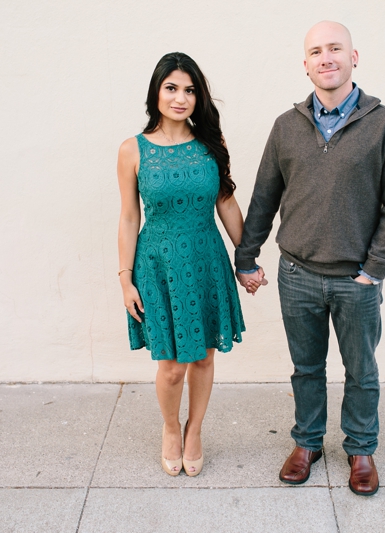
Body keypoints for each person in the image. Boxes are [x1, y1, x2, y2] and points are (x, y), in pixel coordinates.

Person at [235, 21, 385, 496]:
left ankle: (360, 448)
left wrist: (374, 272)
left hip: (356, 279)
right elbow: (263, 198)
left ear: (355, 57)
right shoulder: (286, 126)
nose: (326, 57)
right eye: (316, 51)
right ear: (306, 64)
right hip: (297, 273)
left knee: (362, 370)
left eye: (335, 48)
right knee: (306, 368)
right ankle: (307, 442)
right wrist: (246, 257)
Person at [117, 52, 246, 477]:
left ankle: (195, 431)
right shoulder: (132, 149)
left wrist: (246, 258)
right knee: (171, 366)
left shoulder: (211, 144)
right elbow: (130, 216)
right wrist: (125, 278)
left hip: (206, 258)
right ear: (156, 91)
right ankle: (170, 428)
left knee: (205, 358)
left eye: (189, 90)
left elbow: (225, 202)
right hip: (157, 264)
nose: (181, 98)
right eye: (172, 88)